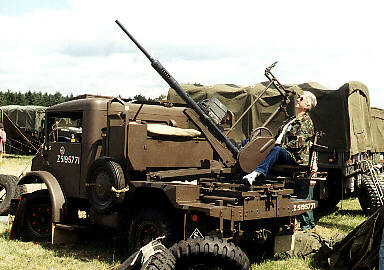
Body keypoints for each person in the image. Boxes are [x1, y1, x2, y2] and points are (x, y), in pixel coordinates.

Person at [243, 91, 317, 230]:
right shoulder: (290, 120)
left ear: (307, 105)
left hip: (294, 157)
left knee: (277, 151)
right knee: (249, 142)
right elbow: (277, 136)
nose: (298, 99)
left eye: (301, 98)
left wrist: (276, 146)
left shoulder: (306, 123)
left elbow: (296, 144)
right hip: (281, 150)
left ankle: (256, 174)